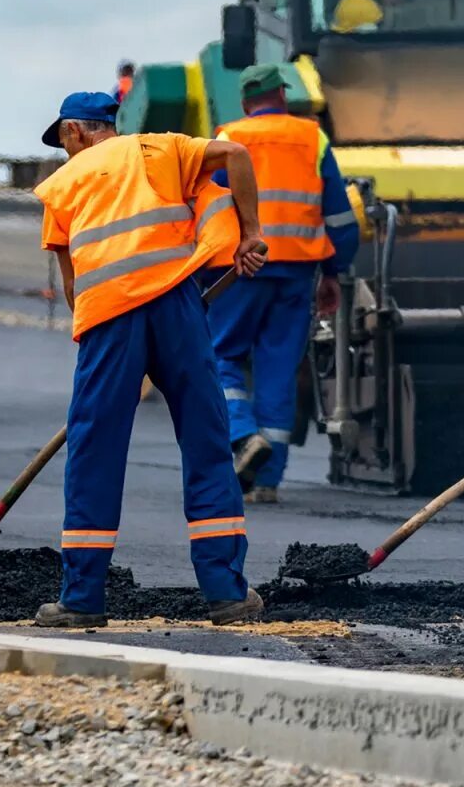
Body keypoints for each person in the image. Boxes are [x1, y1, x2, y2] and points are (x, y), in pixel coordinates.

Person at [30, 91, 271, 629]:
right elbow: (235, 155)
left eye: (64, 141)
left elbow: (73, 287)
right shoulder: (162, 149)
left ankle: (83, 598)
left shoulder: (62, 186)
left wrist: (108, 352)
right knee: (208, 442)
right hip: (178, 306)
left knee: (95, 450)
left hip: (109, 319)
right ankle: (227, 594)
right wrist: (251, 232)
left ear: (75, 132)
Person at [206, 65, 359, 503]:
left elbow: (211, 206)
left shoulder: (227, 135)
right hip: (296, 272)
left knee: (219, 355)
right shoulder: (313, 138)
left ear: (245, 102)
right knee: (278, 370)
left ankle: (242, 435)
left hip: (239, 268)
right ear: (281, 96)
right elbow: (340, 218)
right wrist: (334, 271)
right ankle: (268, 481)